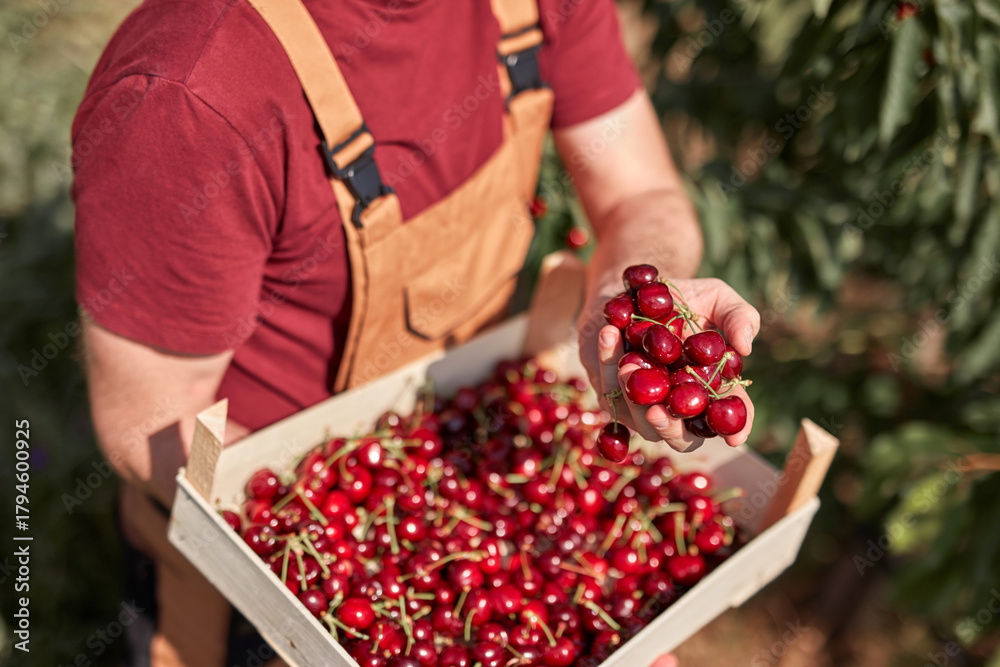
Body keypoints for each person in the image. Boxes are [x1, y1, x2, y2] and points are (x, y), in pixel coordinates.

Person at [72, 0, 759, 665]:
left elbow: (641, 195)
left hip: (458, 457)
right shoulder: (190, 94)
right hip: (272, 554)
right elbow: (148, 424)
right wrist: (371, 567)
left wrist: (634, 298)